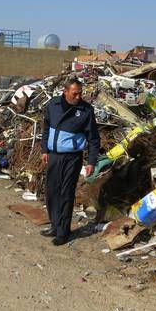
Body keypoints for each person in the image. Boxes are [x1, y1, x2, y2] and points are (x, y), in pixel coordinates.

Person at [40, 78, 100, 246]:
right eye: (75, 93)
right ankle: (54, 225)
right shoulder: (53, 105)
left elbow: (93, 138)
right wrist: (44, 149)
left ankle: (63, 232)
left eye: (80, 93)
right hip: (54, 156)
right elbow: (46, 128)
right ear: (65, 91)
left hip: (72, 158)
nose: (79, 97)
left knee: (66, 193)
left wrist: (91, 161)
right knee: (52, 192)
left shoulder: (86, 110)